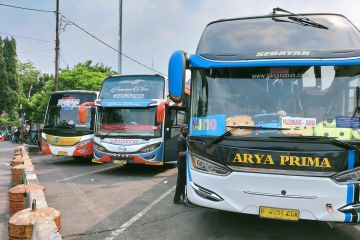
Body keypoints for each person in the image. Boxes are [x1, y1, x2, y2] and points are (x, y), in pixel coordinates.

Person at [173, 124, 188, 204]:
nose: (186, 131)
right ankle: (176, 199)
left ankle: (183, 198)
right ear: (181, 130)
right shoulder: (180, 140)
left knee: (184, 182)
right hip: (181, 165)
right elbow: (180, 153)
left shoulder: (185, 138)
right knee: (180, 183)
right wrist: (189, 152)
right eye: (185, 130)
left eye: (187, 129)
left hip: (184, 164)